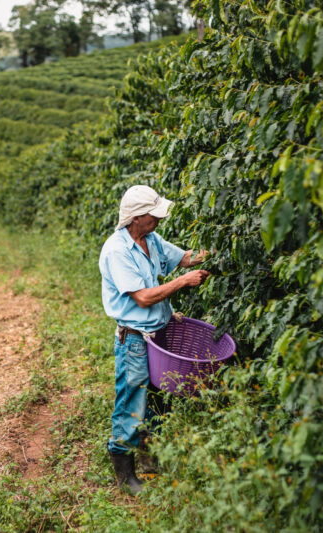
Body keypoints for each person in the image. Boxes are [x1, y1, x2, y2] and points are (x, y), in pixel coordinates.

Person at [98, 185, 210, 494]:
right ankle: (124, 473)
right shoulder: (118, 251)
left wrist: (217, 250)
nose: (158, 220)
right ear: (136, 218)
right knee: (132, 402)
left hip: (159, 335)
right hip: (134, 340)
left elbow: (184, 258)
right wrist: (182, 282)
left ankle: (151, 459)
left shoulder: (151, 239)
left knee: (159, 398)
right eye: (153, 215)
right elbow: (144, 297)